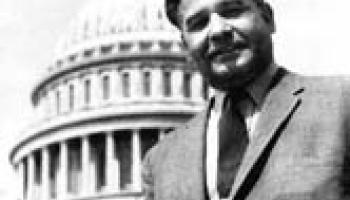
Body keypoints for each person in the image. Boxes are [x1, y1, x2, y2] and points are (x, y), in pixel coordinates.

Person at [142, 0, 350, 199]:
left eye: (232, 10)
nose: (218, 31)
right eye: (199, 23)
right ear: (186, 47)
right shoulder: (160, 162)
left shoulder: (341, 103)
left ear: (268, 18)